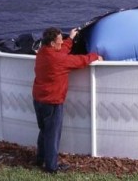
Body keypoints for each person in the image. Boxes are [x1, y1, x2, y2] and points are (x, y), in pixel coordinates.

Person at [32, 27, 103, 173]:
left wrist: (70, 39)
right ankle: (51, 167)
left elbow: (61, 50)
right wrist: (95, 56)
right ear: (52, 43)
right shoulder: (59, 59)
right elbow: (79, 61)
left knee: (44, 130)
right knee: (53, 135)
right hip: (52, 102)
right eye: (60, 40)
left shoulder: (42, 52)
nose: (61, 42)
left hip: (38, 99)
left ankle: (40, 159)